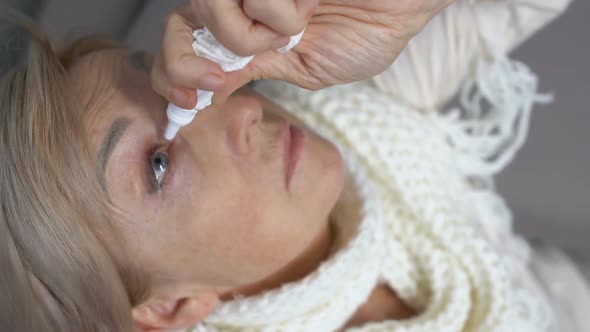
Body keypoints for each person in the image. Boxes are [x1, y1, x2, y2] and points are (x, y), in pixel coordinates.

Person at [1, 0, 587, 331]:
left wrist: (393, 12)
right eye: (158, 166)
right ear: (165, 308)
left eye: (163, 81)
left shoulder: (351, 105)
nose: (238, 114)